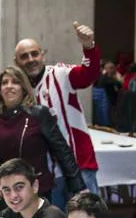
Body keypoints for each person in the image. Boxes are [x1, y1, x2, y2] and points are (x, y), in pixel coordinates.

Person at [0, 66, 84, 213]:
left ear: (23, 87)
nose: (9, 86)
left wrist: (78, 187)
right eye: (4, 83)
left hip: (38, 191)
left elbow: (62, 150)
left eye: (15, 82)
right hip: (8, 195)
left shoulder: (39, 113)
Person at [13, 22, 101, 197]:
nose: (31, 59)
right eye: (24, 56)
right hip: (46, 174)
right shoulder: (17, 92)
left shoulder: (61, 74)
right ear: (16, 62)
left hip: (79, 164)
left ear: (43, 56)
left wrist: (89, 46)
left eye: (34, 54)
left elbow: (87, 75)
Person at [96, 59, 123, 127]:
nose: (113, 70)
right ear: (106, 69)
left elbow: (119, 86)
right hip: (106, 103)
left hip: (114, 103)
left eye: (113, 68)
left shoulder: (115, 78)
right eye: (111, 68)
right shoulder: (103, 79)